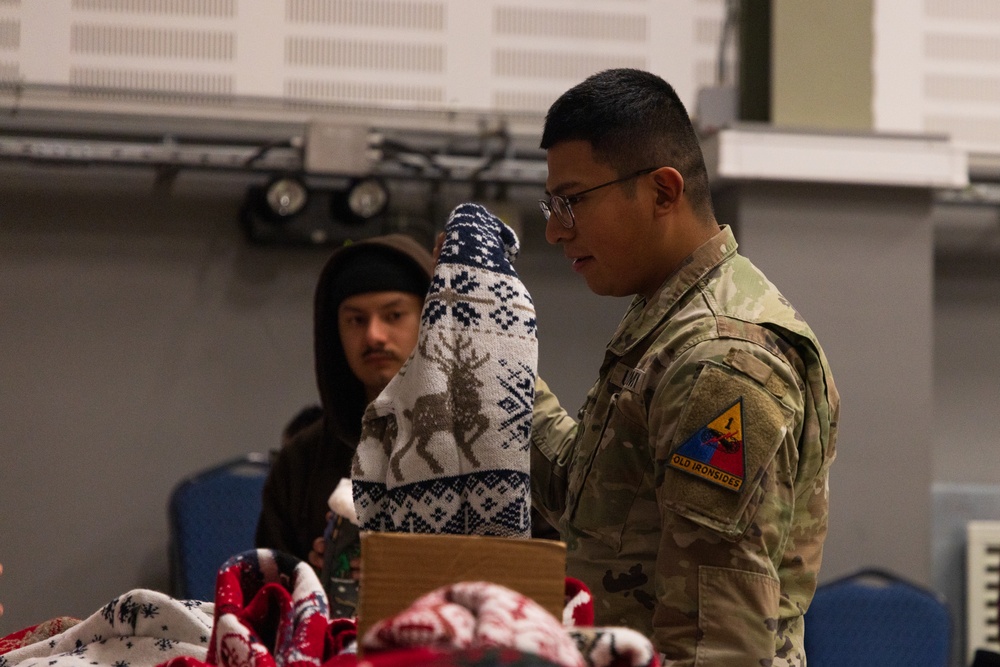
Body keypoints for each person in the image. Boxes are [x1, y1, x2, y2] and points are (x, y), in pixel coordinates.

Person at [528, 68, 839, 666]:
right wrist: (498, 371)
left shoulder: (720, 360)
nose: (554, 229)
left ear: (663, 193)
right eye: (551, 204)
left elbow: (717, 642)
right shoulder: (666, 324)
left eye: (572, 202)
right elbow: (583, 498)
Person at [256, 234, 434, 569]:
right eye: (356, 320)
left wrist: (407, 572)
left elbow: (544, 574)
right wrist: (311, 581)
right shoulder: (300, 463)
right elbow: (267, 600)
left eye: (394, 315)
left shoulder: (490, 449)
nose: (373, 336)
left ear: (430, 321)